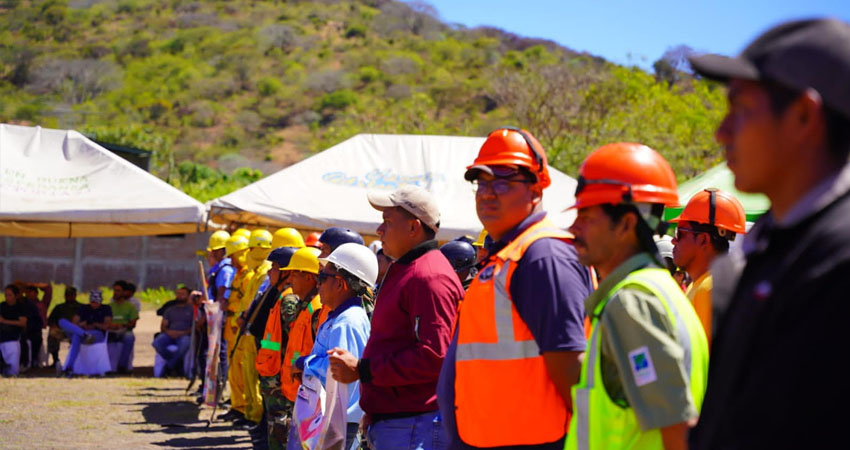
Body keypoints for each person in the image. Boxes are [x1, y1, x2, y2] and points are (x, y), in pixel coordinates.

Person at [687, 18, 850, 449]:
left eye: (740, 108)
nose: (721, 131)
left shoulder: (838, 256)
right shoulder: (772, 245)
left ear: (802, 116)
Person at [438, 127, 593, 449]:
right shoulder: (508, 255)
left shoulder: (543, 255)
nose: (487, 193)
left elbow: (571, 368)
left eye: (503, 182)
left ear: (536, 189)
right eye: (481, 182)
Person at [565, 142, 709, 450]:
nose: (574, 227)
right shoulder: (659, 290)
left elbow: (678, 431)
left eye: (587, 216)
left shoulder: (632, 302)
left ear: (627, 224)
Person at [328, 185, 463, 450]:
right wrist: (377, 408)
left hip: (417, 424)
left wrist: (363, 370)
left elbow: (433, 355)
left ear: (413, 228)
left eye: (387, 222)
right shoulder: (409, 270)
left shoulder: (428, 276)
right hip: (402, 421)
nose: (379, 231)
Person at [295, 243, 376, 450]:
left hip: (340, 424)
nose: (318, 284)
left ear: (340, 284)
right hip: (334, 420)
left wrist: (304, 364)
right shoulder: (341, 317)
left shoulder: (347, 322)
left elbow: (339, 373)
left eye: (322, 278)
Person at [670, 189, 746, 342]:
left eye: (680, 233)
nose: (673, 241)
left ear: (704, 239)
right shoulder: (700, 285)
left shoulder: (709, 288)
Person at [252, 246, 299, 450]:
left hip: (280, 377)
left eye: (274, 268)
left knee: (280, 428)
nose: (270, 272)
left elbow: (293, 341)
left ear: (286, 272)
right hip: (273, 373)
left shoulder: (288, 299)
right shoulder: (280, 296)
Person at [229, 229, 275, 430]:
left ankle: (256, 417)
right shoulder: (255, 272)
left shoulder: (266, 272)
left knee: (254, 377)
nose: (248, 253)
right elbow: (247, 301)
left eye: (252, 249)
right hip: (245, 329)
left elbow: (258, 303)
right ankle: (249, 414)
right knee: (246, 374)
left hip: (254, 330)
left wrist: (245, 320)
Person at [223, 233, 252, 426]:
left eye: (234, 255)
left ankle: (243, 409)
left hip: (239, 328)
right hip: (231, 326)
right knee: (233, 369)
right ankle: (236, 405)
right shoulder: (239, 274)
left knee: (241, 369)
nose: (231, 259)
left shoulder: (249, 276)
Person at [58, 289, 113, 377]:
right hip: (83, 332)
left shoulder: (106, 309)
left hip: (97, 334)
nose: (94, 304)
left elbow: (106, 326)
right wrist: (82, 325)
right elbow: (74, 324)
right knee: (62, 321)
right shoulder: (83, 308)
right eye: (92, 302)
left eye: (96, 302)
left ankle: (69, 368)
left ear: (100, 301)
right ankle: (84, 334)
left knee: (76, 336)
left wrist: (95, 325)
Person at [152, 286, 195, 376]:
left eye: (183, 294)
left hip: (185, 335)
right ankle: (174, 362)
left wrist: (182, 333)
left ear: (188, 296)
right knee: (157, 342)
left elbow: (194, 327)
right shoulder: (170, 310)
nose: (180, 296)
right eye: (178, 294)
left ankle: (169, 366)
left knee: (185, 343)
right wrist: (168, 332)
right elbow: (163, 326)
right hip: (169, 334)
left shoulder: (192, 310)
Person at [47, 286, 83, 368]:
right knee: (52, 334)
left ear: (75, 295)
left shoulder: (81, 307)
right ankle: (55, 360)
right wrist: (54, 326)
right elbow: (50, 320)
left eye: (71, 295)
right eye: (67, 295)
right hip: (62, 331)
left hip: (76, 331)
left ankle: (76, 361)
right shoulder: (59, 307)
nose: (69, 296)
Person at [109, 280, 139, 373]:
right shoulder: (109, 306)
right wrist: (112, 326)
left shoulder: (131, 306)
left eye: (118, 291)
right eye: (114, 290)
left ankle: (122, 365)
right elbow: (105, 321)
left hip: (124, 330)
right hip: (110, 330)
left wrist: (121, 325)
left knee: (129, 337)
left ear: (124, 292)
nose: (115, 293)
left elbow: (133, 323)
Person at [0, 285, 27, 376]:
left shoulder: (21, 307)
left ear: (16, 296)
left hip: (13, 333)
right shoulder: (2, 306)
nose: (7, 297)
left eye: (10, 295)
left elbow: (23, 323)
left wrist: (5, 321)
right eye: (6, 295)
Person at [19, 284, 46, 370]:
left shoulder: (38, 304)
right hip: (17, 330)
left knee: (36, 338)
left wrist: (30, 283)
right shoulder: (8, 305)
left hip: (32, 329)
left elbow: (37, 321)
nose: (29, 294)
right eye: (27, 292)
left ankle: (33, 360)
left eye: (31, 292)